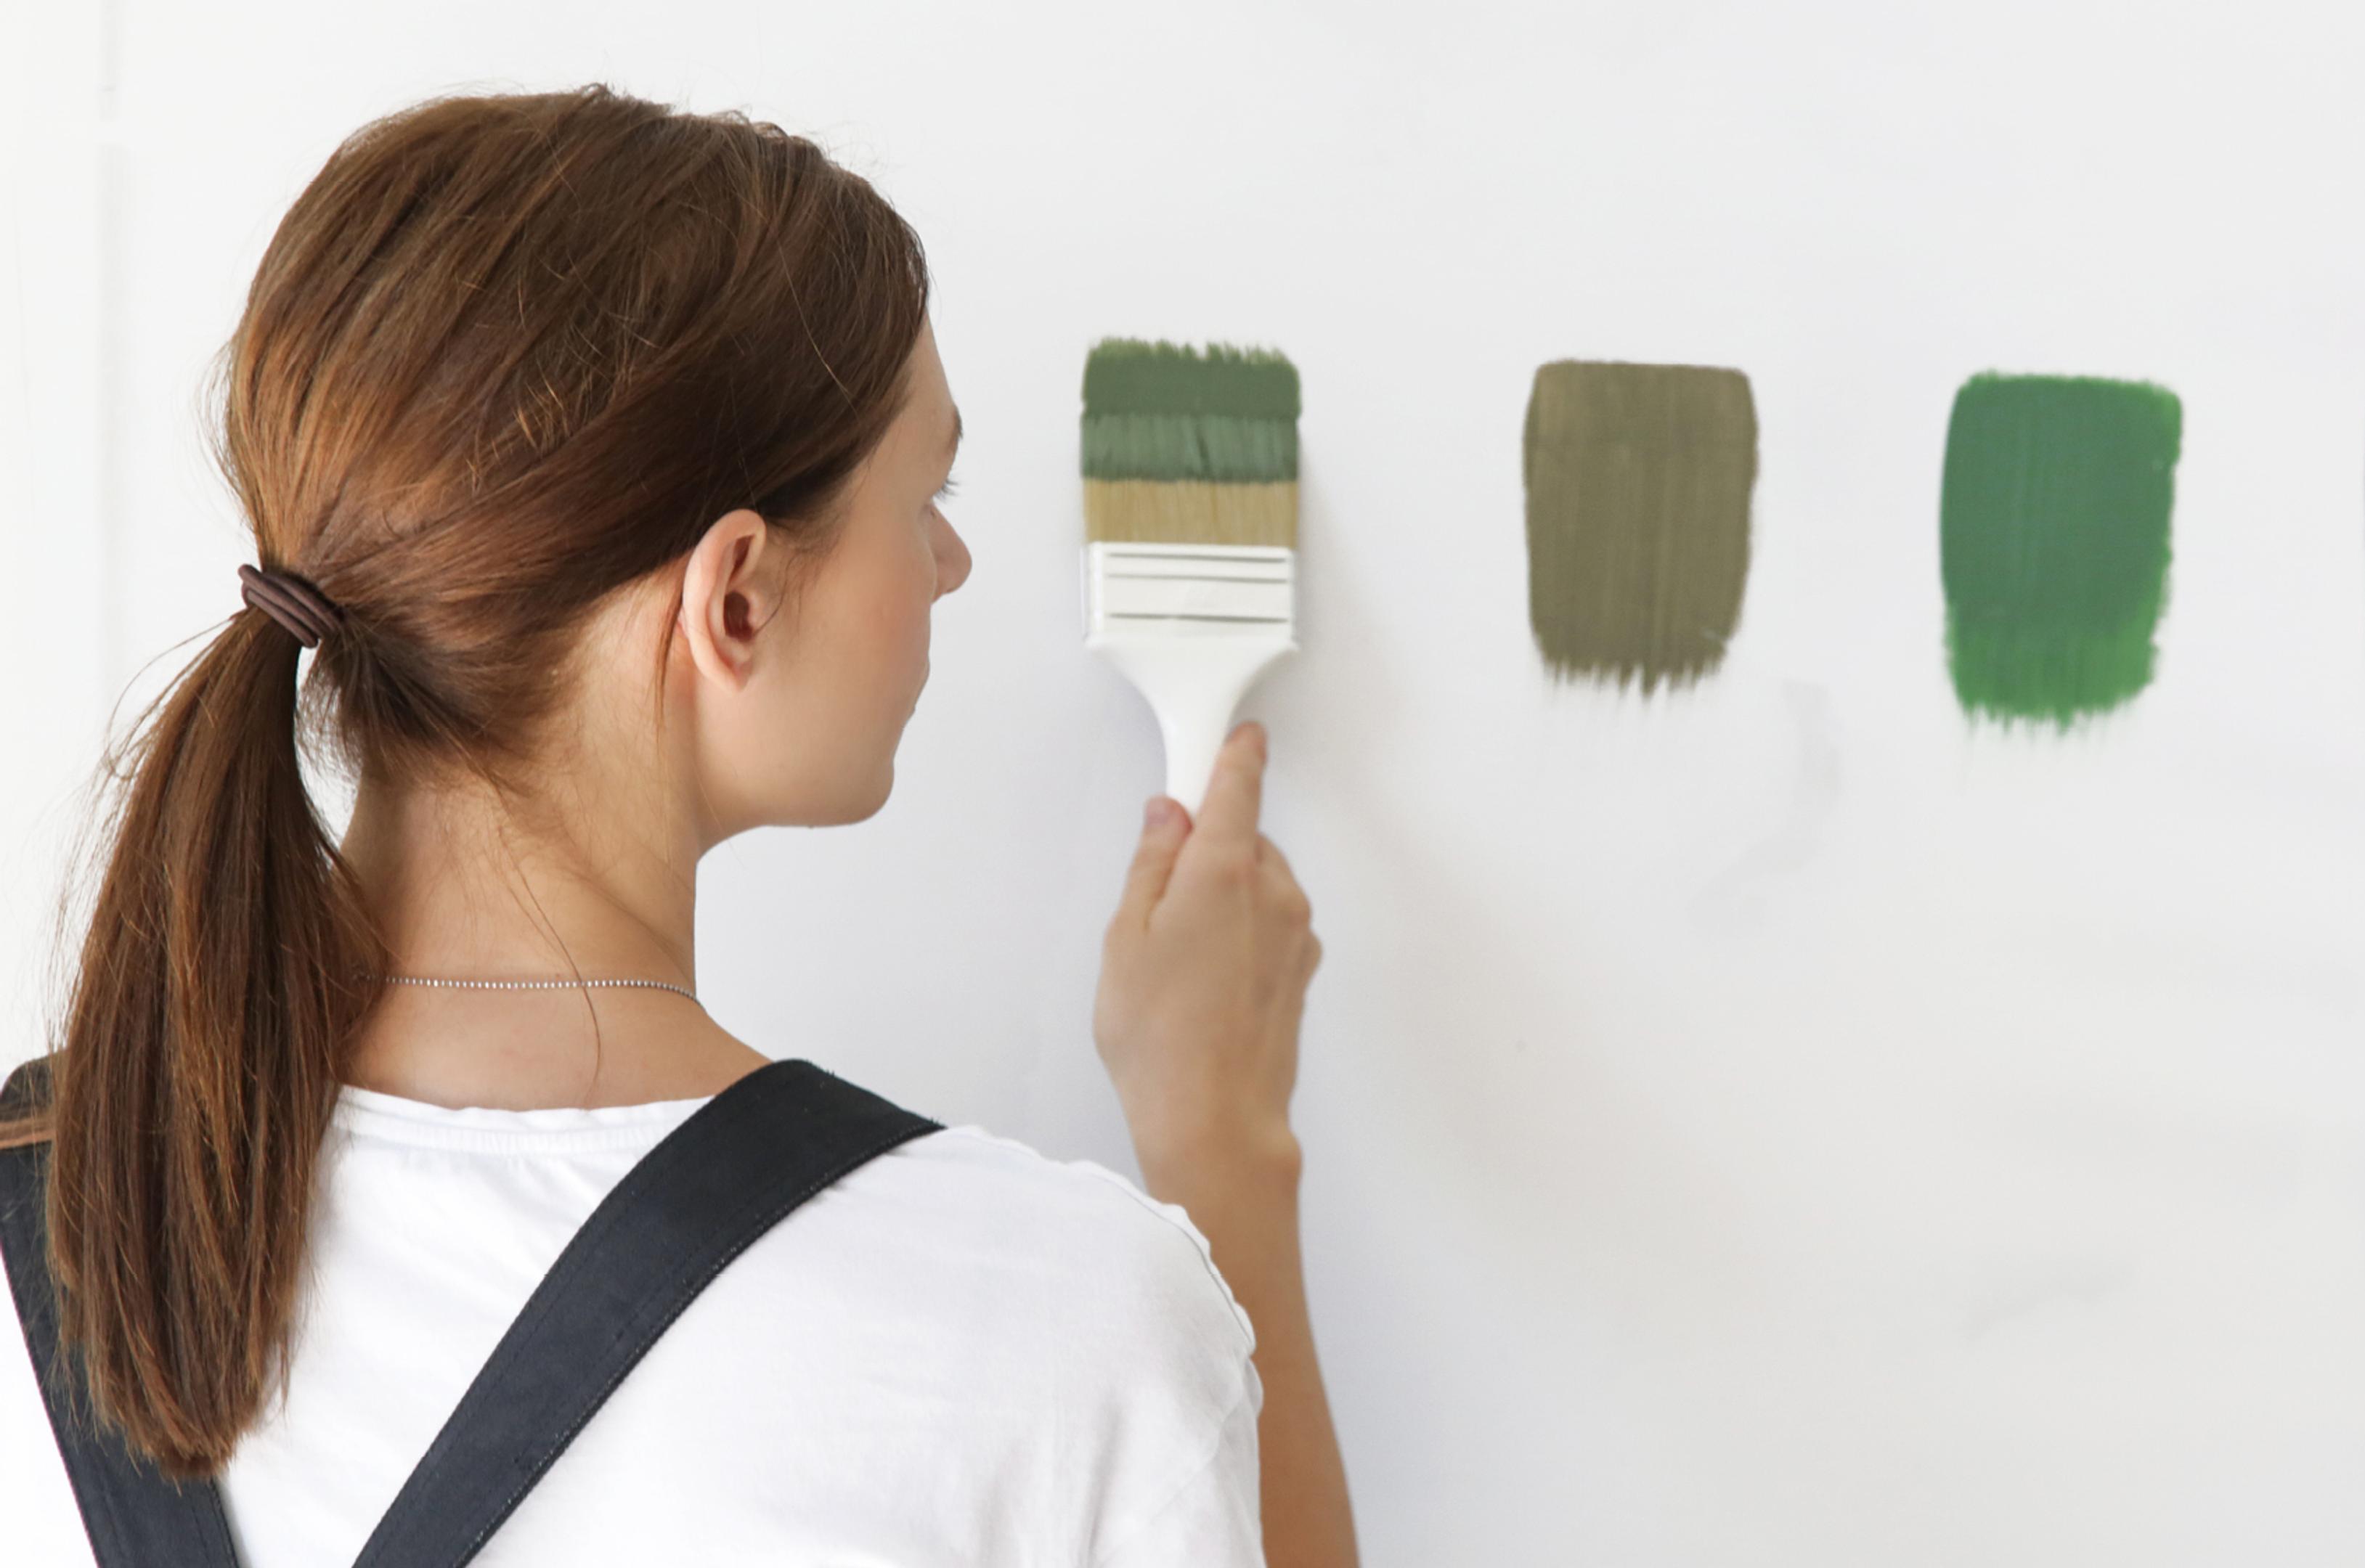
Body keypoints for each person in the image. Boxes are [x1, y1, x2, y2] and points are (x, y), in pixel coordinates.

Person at [0, 83, 1357, 1567]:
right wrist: (1223, 1145)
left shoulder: (42, 1214)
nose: (954, 560)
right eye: (928, 493)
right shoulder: (1048, 1326)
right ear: (738, 599)